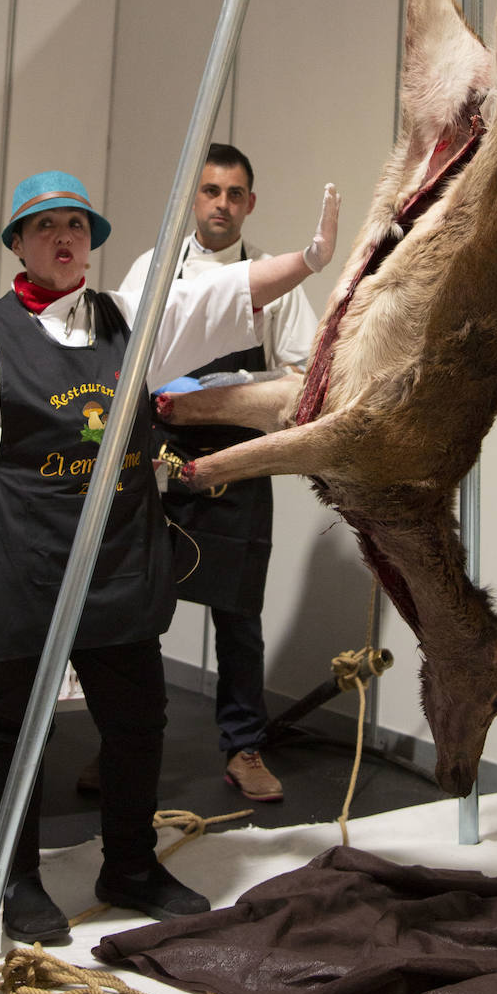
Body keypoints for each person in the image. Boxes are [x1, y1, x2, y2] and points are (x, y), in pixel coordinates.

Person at [0, 168, 338, 944]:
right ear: (20, 246)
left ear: (91, 243)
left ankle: (128, 864)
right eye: (45, 227)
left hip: (118, 557)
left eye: (75, 225)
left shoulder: (131, 320)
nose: (62, 237)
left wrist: (304, 259)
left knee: (137, 720)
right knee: (18, 725)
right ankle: (18, 876)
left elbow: (218, 298)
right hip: (27, 554)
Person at [111, 143, 320, 803]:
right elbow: (121, 362)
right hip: (158, 457)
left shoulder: (276, 280)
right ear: (191, 200)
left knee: (239, 614)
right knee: (138, 609)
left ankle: (244, 746)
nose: (221, 204)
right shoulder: (154, 269)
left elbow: (304, 371)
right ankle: (125, 748)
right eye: (210, 192)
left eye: (234, 194)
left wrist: (231, 394)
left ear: (249, 203)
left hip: (237, 459)